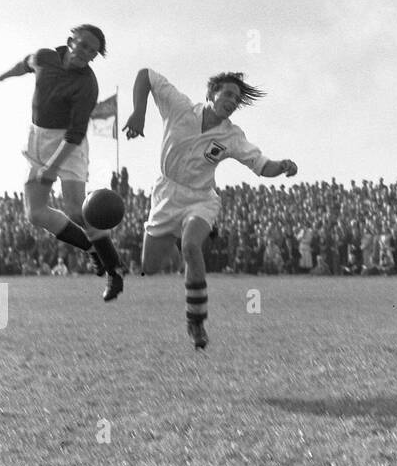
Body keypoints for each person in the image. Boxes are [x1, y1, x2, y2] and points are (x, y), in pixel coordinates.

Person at [124, 69, 297, 350]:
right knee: (149, 267)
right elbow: (145, 75)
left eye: (236, 99)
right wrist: (139, 113)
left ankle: (196, 322)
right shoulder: (179, 107)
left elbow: (260, 165)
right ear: (211, 94)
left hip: (201, 198)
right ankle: (176, 240)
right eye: (227, 93)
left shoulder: (232, 136)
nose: (232, 101)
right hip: (166, 195)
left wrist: (282, 166)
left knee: (192, 247)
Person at [0, 24, 125, 300]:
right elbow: (25, 64)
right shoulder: (45, 57)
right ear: (70, 41)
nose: (86, 53)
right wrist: (1, 77)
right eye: (83, 45)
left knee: (77, 210)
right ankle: (92, 249)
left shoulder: (87, 84)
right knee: (35, 213)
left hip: (69, 145)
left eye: (93, 52)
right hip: (38, 137)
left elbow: (75, 133)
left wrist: (52, 167)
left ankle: (114, 272)